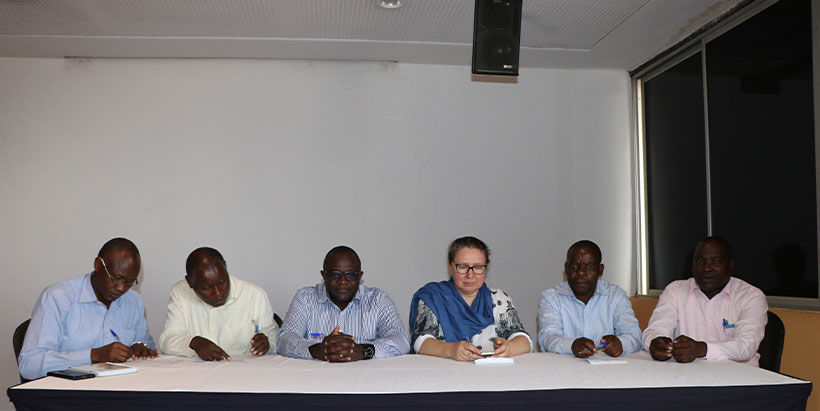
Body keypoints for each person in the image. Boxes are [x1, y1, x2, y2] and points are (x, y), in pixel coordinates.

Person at [18, 238, 157, 380]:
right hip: (69, 393)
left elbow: (144, 343)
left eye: (129, 282)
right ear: (98, 265)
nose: (121, 288)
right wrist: (94, 355)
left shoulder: (133, 301)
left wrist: (140, 346)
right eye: (116, 279)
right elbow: (30, 365)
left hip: (119, 389)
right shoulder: (59, 298)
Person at [642, 236, 768, 365]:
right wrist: (655, 342)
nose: (707, 268)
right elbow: (655, 329)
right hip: (688, 376)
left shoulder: (751, 296)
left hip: (740, 378)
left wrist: (702, 349)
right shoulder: (675, 291)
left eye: (716, 261)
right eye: (700, 261)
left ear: (730, 264)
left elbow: (746, 346)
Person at [277, 246, 410, 361]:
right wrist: (315, 350)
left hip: (366, 382)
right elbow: (284, 339)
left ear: (360, 276)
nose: (343, 281)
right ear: (324, 276)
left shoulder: (378, 300)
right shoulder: (305, 298)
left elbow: (402, 339)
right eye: (335, 274)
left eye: (350, 275)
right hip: (317, 382)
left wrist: (363, 351)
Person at [410, 236, 532, 361]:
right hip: (446, 374)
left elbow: (523, 340)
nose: (470, 275)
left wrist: (510, 347)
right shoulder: (433, 298)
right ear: (450, 266)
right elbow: (421, 342)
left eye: (478, 267)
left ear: (486, 268)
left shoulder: (498, 298)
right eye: (462, 267)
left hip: (491, 375)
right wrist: (451, 350)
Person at [159, 247, 278, 360]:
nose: (218, 293)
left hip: (243, 373)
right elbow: (167, 341)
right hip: (198, 374)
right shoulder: (180, 293)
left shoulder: (254, 295)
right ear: (190, 282)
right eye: (206, 288)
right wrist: (193, 342)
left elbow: (275, 340)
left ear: (225, 268)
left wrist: (267, 344)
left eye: (223, 282)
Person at [537, 240, 642, 358]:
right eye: (574, 266)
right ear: (566, 269)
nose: (581, 272)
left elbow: (635, 336)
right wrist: (572, 345)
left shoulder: (615, 296)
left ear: (600, 270)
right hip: (565, 370)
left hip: (609, 370)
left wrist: (620, 343)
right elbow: (548, 337)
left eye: (589, 267)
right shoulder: (551, 297)